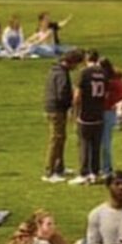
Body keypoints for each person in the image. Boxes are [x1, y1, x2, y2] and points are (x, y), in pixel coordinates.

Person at [42, 49, 83, 184]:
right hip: (56, 109)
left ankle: (59, 167)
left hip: (53, 108)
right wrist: (70, 103)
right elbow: (61, 93)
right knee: (55, 139)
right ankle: (49, 171)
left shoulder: (56, 70)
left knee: (61, 138)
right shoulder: (61, 74)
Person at [71, 52, 108, 185]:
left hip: (85, 114)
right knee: (96, 145)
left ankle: (84, 173)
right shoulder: (104, 73)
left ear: (86, 59)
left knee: (84, 144)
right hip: (99, 113)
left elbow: (77, 96)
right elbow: (107, 93)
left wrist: (75, 111)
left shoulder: (83, 73)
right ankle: (95, 172)